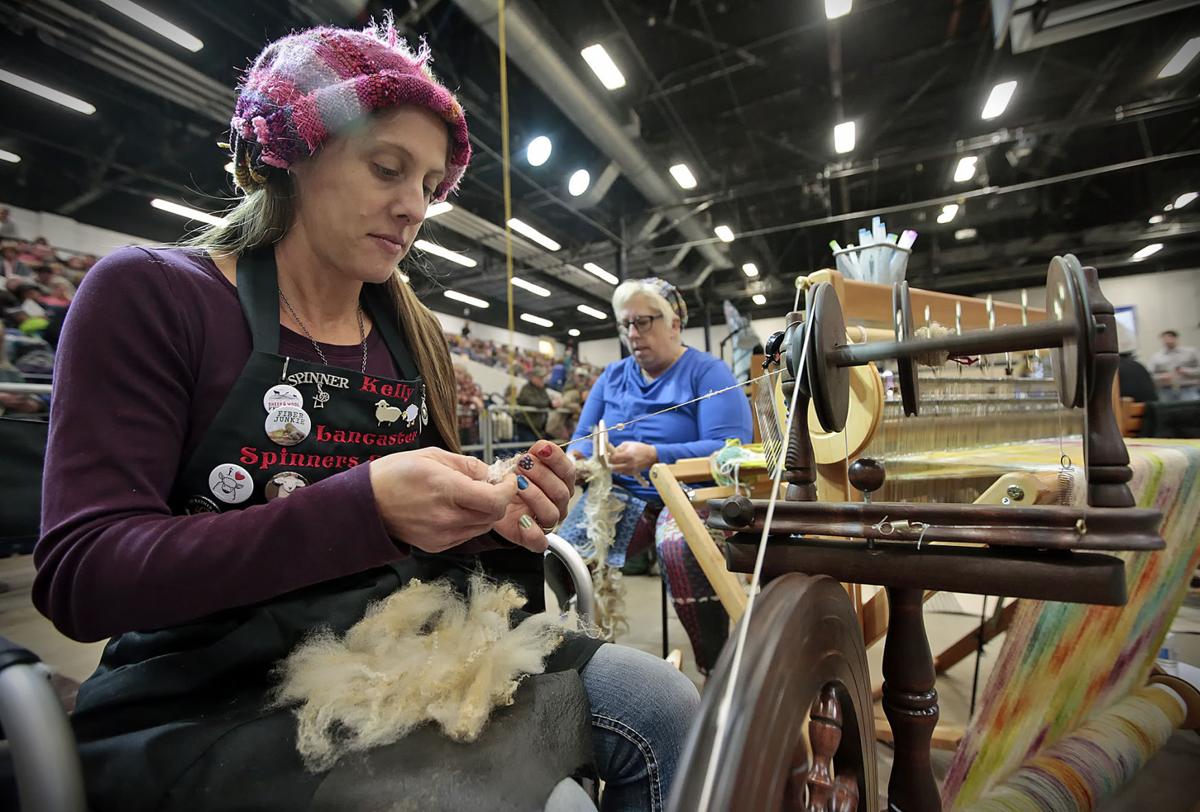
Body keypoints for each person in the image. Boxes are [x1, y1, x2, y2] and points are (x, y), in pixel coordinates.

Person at [26, 20, 696, 812]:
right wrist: (362, 506)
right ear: (291, 154)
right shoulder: (153, 296)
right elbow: (83, 575)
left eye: (430, 184)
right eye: (388, 168)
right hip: (213, 693)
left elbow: (421, 538)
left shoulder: (408, 335)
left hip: (405, 649)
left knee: (668, 707)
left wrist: (494, 516)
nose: (414, 206)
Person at [558, 277, 754, 673]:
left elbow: (730, 447)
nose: (632, 334)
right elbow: (579, 439)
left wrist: (654, 455)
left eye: (643, 322)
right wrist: (575, 459)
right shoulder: (613, 376)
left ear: (674, 324)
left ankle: (716, 668)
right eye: (625, 324)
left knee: (680, 548)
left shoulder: (708, 373)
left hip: (689, 492)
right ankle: (596, 659)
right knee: (565, 555)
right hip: (623, 494)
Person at [1150, 329, 1200, 402]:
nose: (1167, 340)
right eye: (1164, 338)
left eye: (1170, 337)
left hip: (1189, 389)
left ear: (1176, 338)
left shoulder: (1191, 352)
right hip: (1166, 391)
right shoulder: (1156, 356)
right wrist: (1161, 377)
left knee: (1192, 411)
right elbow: (1149, 375)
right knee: (1167, 412)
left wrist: (1186, 371)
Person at [516, 365, 554, 441]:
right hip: (526, 426)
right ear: (533, 378)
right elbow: (533, 402)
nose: (542, 380)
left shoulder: (542, 389)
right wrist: (550, 404)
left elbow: (545, 400)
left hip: (538, 427)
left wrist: (550, 403)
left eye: (543, 378)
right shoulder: (526, 389)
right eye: (540, 378)